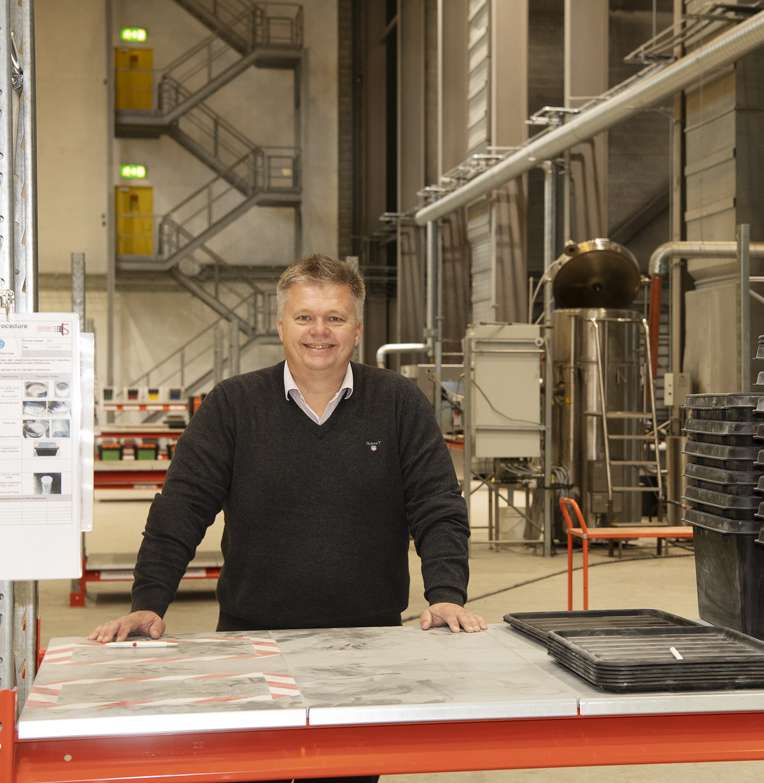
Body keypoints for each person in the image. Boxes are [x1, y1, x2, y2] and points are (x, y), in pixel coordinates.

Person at [90, 254, 485, 783]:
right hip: (251, 645)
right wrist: (148, 601)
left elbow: (438, 505)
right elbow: (180, 508)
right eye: (304, 317)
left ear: (358, 328)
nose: (319, 331)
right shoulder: (234, 404)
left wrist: (445, 593)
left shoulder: (398, 403)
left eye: (335, 318)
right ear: (280, 325)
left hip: (368, 650)